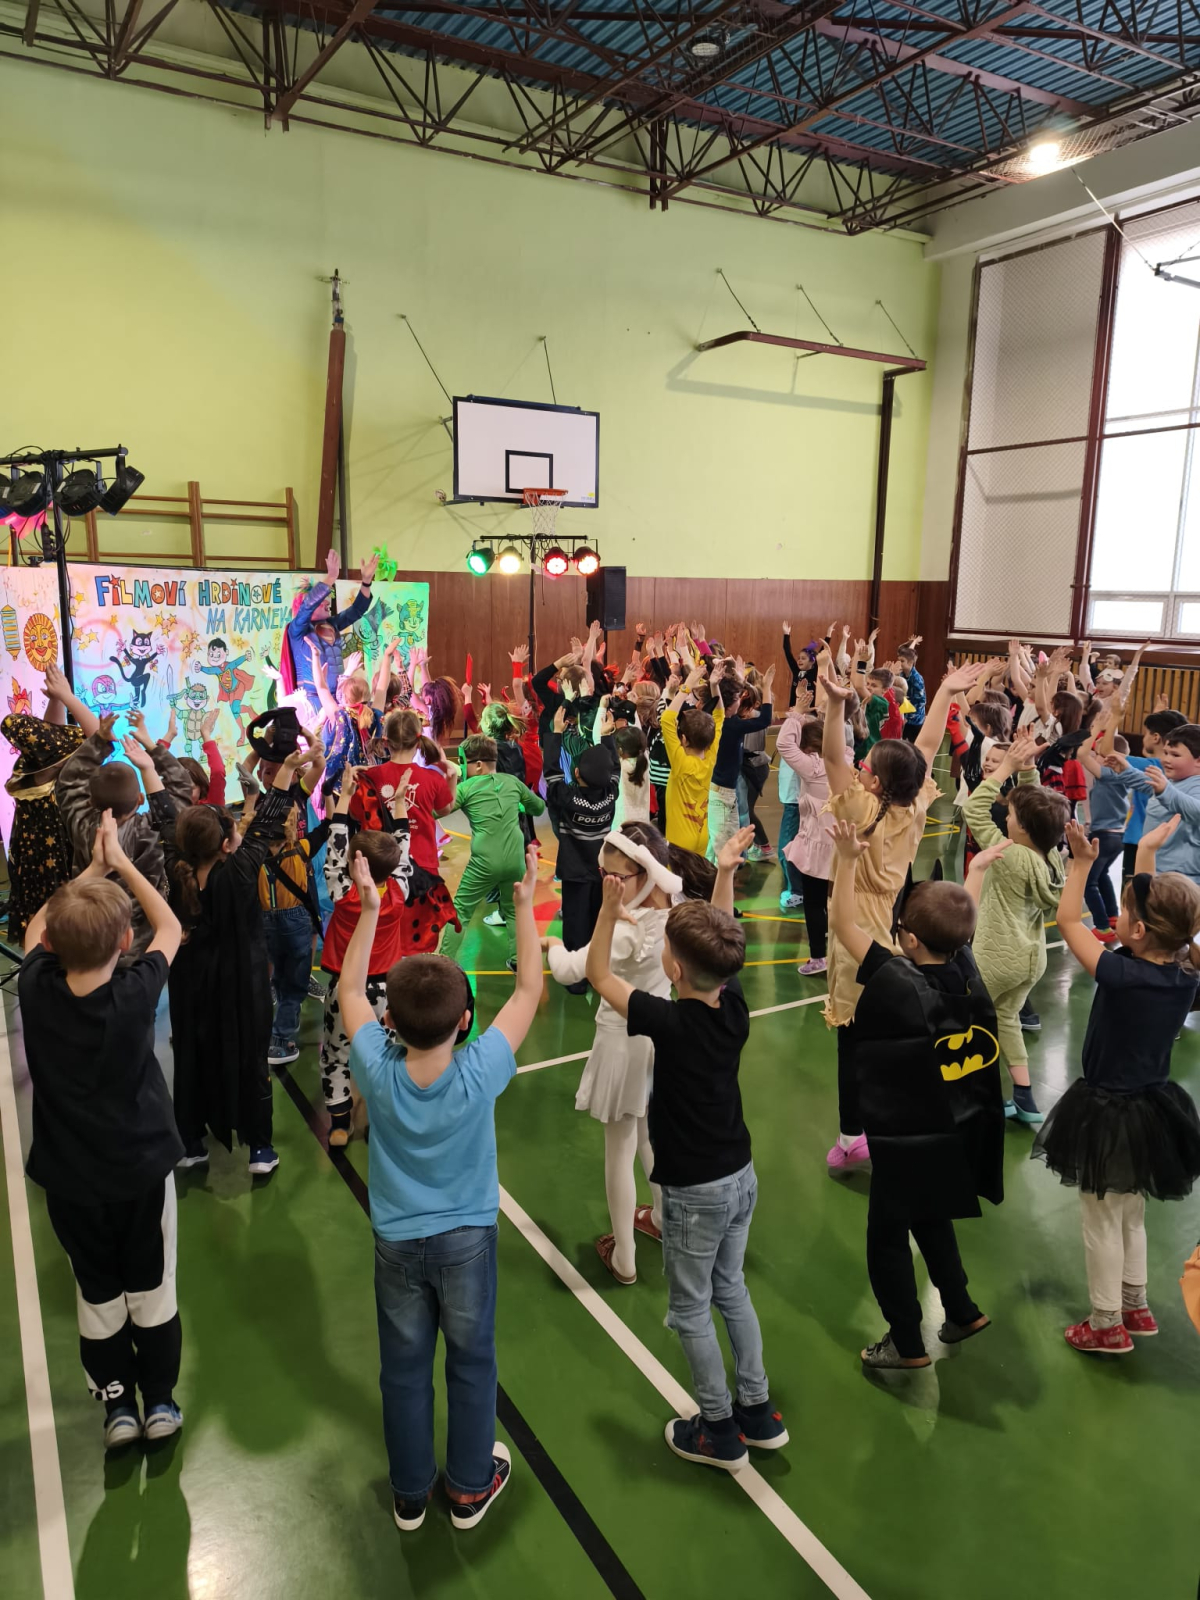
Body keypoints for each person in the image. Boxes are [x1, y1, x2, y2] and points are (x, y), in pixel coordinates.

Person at [343, 845, 542, 1532]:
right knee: (472, 1360)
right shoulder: (479, 1071)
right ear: (464, 1022)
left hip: (396, 1242)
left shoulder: (375, 1067)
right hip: (466, 1242)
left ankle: (409, 1493)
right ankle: (467, 1487)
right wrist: (523, 906)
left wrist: (370, 908)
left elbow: (349, 992)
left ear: (391, 1022)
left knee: (402, 1369)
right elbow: (528, 991)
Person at [586, 826, 787, 1474]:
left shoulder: (668, 1022)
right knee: (732, 1289)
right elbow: (721, 938)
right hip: (740, 1175)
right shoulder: (734, 1009)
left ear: (672, 969)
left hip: (695, 1192)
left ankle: (719, 1428)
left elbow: (597, 974)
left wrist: (607, 913)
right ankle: (758, 1410)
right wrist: (722, 875)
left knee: (691, 1308)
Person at [20, 810, 185, 1448]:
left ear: (54, 946)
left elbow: (34, 929)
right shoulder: (134, 994)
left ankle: (117, 1407)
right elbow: (169, 926)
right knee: (153, 1289)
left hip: (71, 1182)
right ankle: (160, 1400)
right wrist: (120, 865)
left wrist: (91, 868)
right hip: (140, 1172)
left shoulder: (37, 989)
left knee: (97, 1295)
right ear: (124, 941)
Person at [826, 819, 1005, 1369]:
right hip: (955, 1134)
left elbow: (843, 922)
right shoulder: (968, 973)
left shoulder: (895, 976)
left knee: (886, 1239)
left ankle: (905, 1341)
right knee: (932, 1215)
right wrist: (974, 873)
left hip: (905, 1142)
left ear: (907, 939)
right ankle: (961, 1308)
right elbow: (961, 926)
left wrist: (846, 859)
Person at [1034, 820, 1200, 1354]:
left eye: (1124, 914)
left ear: (1140, 931)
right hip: (1152, 1107)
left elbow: (1067, 919)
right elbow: (1148, 915)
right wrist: (1145, 851)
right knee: (1130, 1211)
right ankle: (1135, 1303)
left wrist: (1082, 864)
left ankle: (1106, 1322)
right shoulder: (1183, 973)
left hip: (1109, 1111)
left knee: (1101, 1218)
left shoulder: (1121, 975)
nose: (1118, 919)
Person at [820, 661, 986, 1172]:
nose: (859, 766)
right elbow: (927, 746)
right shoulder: (912, 806)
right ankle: (885, 1120)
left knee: (852, 1037)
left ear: (874, 782)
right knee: (886, 1034)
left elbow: (831, 756)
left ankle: (852, 1136)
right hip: (891, 918)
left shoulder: (861, 811)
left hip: (857, 924)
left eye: (866, 765)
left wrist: (835, 705)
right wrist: (945, 691)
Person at [157, 740, 322, 1176]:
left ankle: (192, 1142)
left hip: (190, 984)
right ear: (228, 843)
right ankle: (260, 1149)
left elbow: (163, 816)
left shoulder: (176, 867)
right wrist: (287, 768)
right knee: (251, 1062)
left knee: (191, 1059)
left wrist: (150, 762)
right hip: (242, 987)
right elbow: (268, 818)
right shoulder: (242, 869)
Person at [544, 825, 688, 1284]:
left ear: (642, 875)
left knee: (619, 1151)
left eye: (614, 877)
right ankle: (662, 1218)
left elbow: (573, 970)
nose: (606, 883)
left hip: (622, 1042)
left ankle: (625, 1257)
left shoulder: (627, 930)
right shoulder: (675, 911)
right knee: (648, 1136)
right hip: (659, 1040)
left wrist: (551, 946)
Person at [963, 734, 1068, 1124]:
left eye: (1009, 816)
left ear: (1021, 827)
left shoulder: (1009, 854)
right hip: (1030, 959)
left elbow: (974, 810)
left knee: (968, 1021)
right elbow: (1039, 809)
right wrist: (1028, 772)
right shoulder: (1051, 856)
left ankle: (975, 1095)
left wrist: (1005, 769)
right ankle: (1024, 1097)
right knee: (1006, 1018)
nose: (1004, 818)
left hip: (996, 956)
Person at [319, 767, 413, 1146]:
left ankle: (340, 1124)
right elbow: (402, 844)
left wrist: (344, 795)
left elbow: (335, 843)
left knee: (336, 1056)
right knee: (385, 1055)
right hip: (387, 992)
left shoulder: (343, 892)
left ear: (352, 866)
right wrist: (400, 803)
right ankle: (380, 1118)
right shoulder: (398, 892)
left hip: (346, 989)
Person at [55, 710, 194, 957]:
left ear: (90, 801)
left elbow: (68, 782)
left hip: (92, 937)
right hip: (145, 943)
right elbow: (182, 788)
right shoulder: (151, 830)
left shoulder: (82, 826)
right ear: (140, 799)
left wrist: (99, 742)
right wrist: (152, 750)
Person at [348, 708, 460, 952]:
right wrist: (451, 779)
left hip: (380, 865)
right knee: (417, 937)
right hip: (422, 866)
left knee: (381, 934)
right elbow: (444, 809)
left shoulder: (369, 777)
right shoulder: (432, 778)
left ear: (385, 742)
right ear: (418, 741)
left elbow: (356, 813)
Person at [439, 734, 544, 972]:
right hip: (515, 859)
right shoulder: (512, 782)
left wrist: (448, 782)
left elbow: (437, 810)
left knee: (461, 910)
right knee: (513, 909)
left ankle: (444, 963)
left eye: (463, 762)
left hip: (484, 862)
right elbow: (538, 807)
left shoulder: (466, 788)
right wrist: (520, 804)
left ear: (477, 765)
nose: (462, 767)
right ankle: (518, 960)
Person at [3, 661, 90, 942]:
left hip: (33, 866)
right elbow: (101, 738)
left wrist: (55, 700)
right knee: (70, 927)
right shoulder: (66, 781)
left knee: (42, 927)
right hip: (64, 868)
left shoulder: (30, 771)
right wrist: (67, 697)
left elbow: (50, 738)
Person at [282, 549, 377, 724]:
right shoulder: (297, 630)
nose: (327, 602)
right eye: (322, 600)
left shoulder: (332, 625)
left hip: (338, 697)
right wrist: (331, 577)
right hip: (312, 701)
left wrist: (366, 582)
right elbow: (307, 606)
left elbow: (357, 610)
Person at [776, 703, 830, 976]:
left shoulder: (813, 767)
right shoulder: (842, 759)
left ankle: (818, 957)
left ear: (808, 747)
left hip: (818, 845)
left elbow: (784, 744)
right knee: (835, 901)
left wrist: (796, 715)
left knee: (814, 903)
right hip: (840, 843)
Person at [706, 668, 774, 863]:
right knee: (722, 844)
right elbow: (765, 719)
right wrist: (766, 687)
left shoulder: (724, 720)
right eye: (738, 698)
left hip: (723, 791)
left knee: (722, 839)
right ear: (729, 705)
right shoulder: (731, 726)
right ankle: (718, 875)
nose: (741, 700)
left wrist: (733, 681)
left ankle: (712, 871)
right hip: (722, 794)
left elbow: (719, 701)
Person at [660, 661, 727, 854]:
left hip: (679, 842)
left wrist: (687, 685)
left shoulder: (680, 763)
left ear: (684, 740)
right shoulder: (710, 758)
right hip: (701, 835)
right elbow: (719, 716)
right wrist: (714, 686)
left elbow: (667, 719)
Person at [1128, 722, 1200, 886]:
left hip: (1181, 880)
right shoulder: (1175, 781)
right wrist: (1125, 770)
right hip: (1158, 871)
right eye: (1166, 753)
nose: (1166, 759)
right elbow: (1147, 782)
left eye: (1175, 755)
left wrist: (1165, 790)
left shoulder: (1196, 784)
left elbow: (1197, 810)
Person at [897, 639, 925, 743]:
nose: (899, 663)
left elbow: (921, 701)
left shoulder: (917, 679)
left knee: (911, 745)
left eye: (902, 661)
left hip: (914, 720)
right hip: (905, 716)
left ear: (910, 662)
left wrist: (908, 717)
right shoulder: (902, 674)